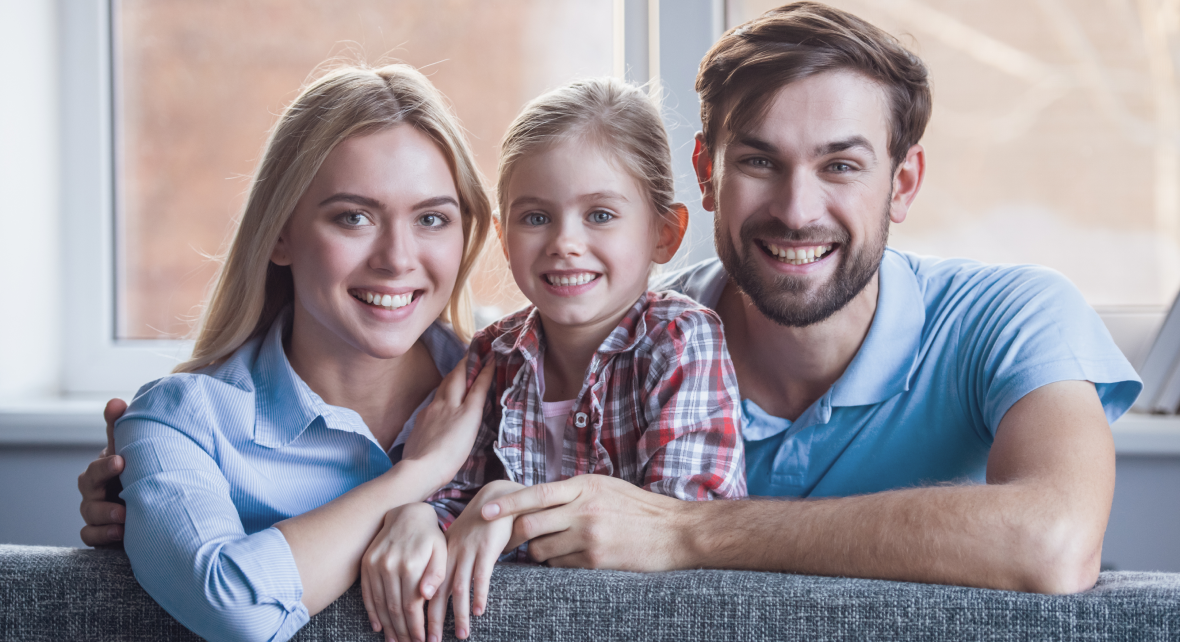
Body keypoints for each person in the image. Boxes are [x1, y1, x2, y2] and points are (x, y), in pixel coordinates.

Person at [472, 2, 1141, 595]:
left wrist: (691, 532)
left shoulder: (1011, 317)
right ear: (707, 175)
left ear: (902, 183)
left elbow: (1055, 543)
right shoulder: (626, 338)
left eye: (840, 166)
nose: (797, 211)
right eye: (760, 162)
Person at [96, 63, 498, 642]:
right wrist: (417, 476)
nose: (398, 258)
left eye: (432, 218)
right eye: (354, 217)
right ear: (280, 233)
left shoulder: (521, 388)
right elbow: (236, 611)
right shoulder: (180, 423)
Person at [363, 77, 747, 642]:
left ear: (665, 234)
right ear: (502, 235)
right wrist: (418, 516)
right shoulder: (492, 355)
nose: (565, 242)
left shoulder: (681, 341)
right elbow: (451, 500)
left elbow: (678, 529)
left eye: (600, 215)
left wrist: (505, 508)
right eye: (536, 217)